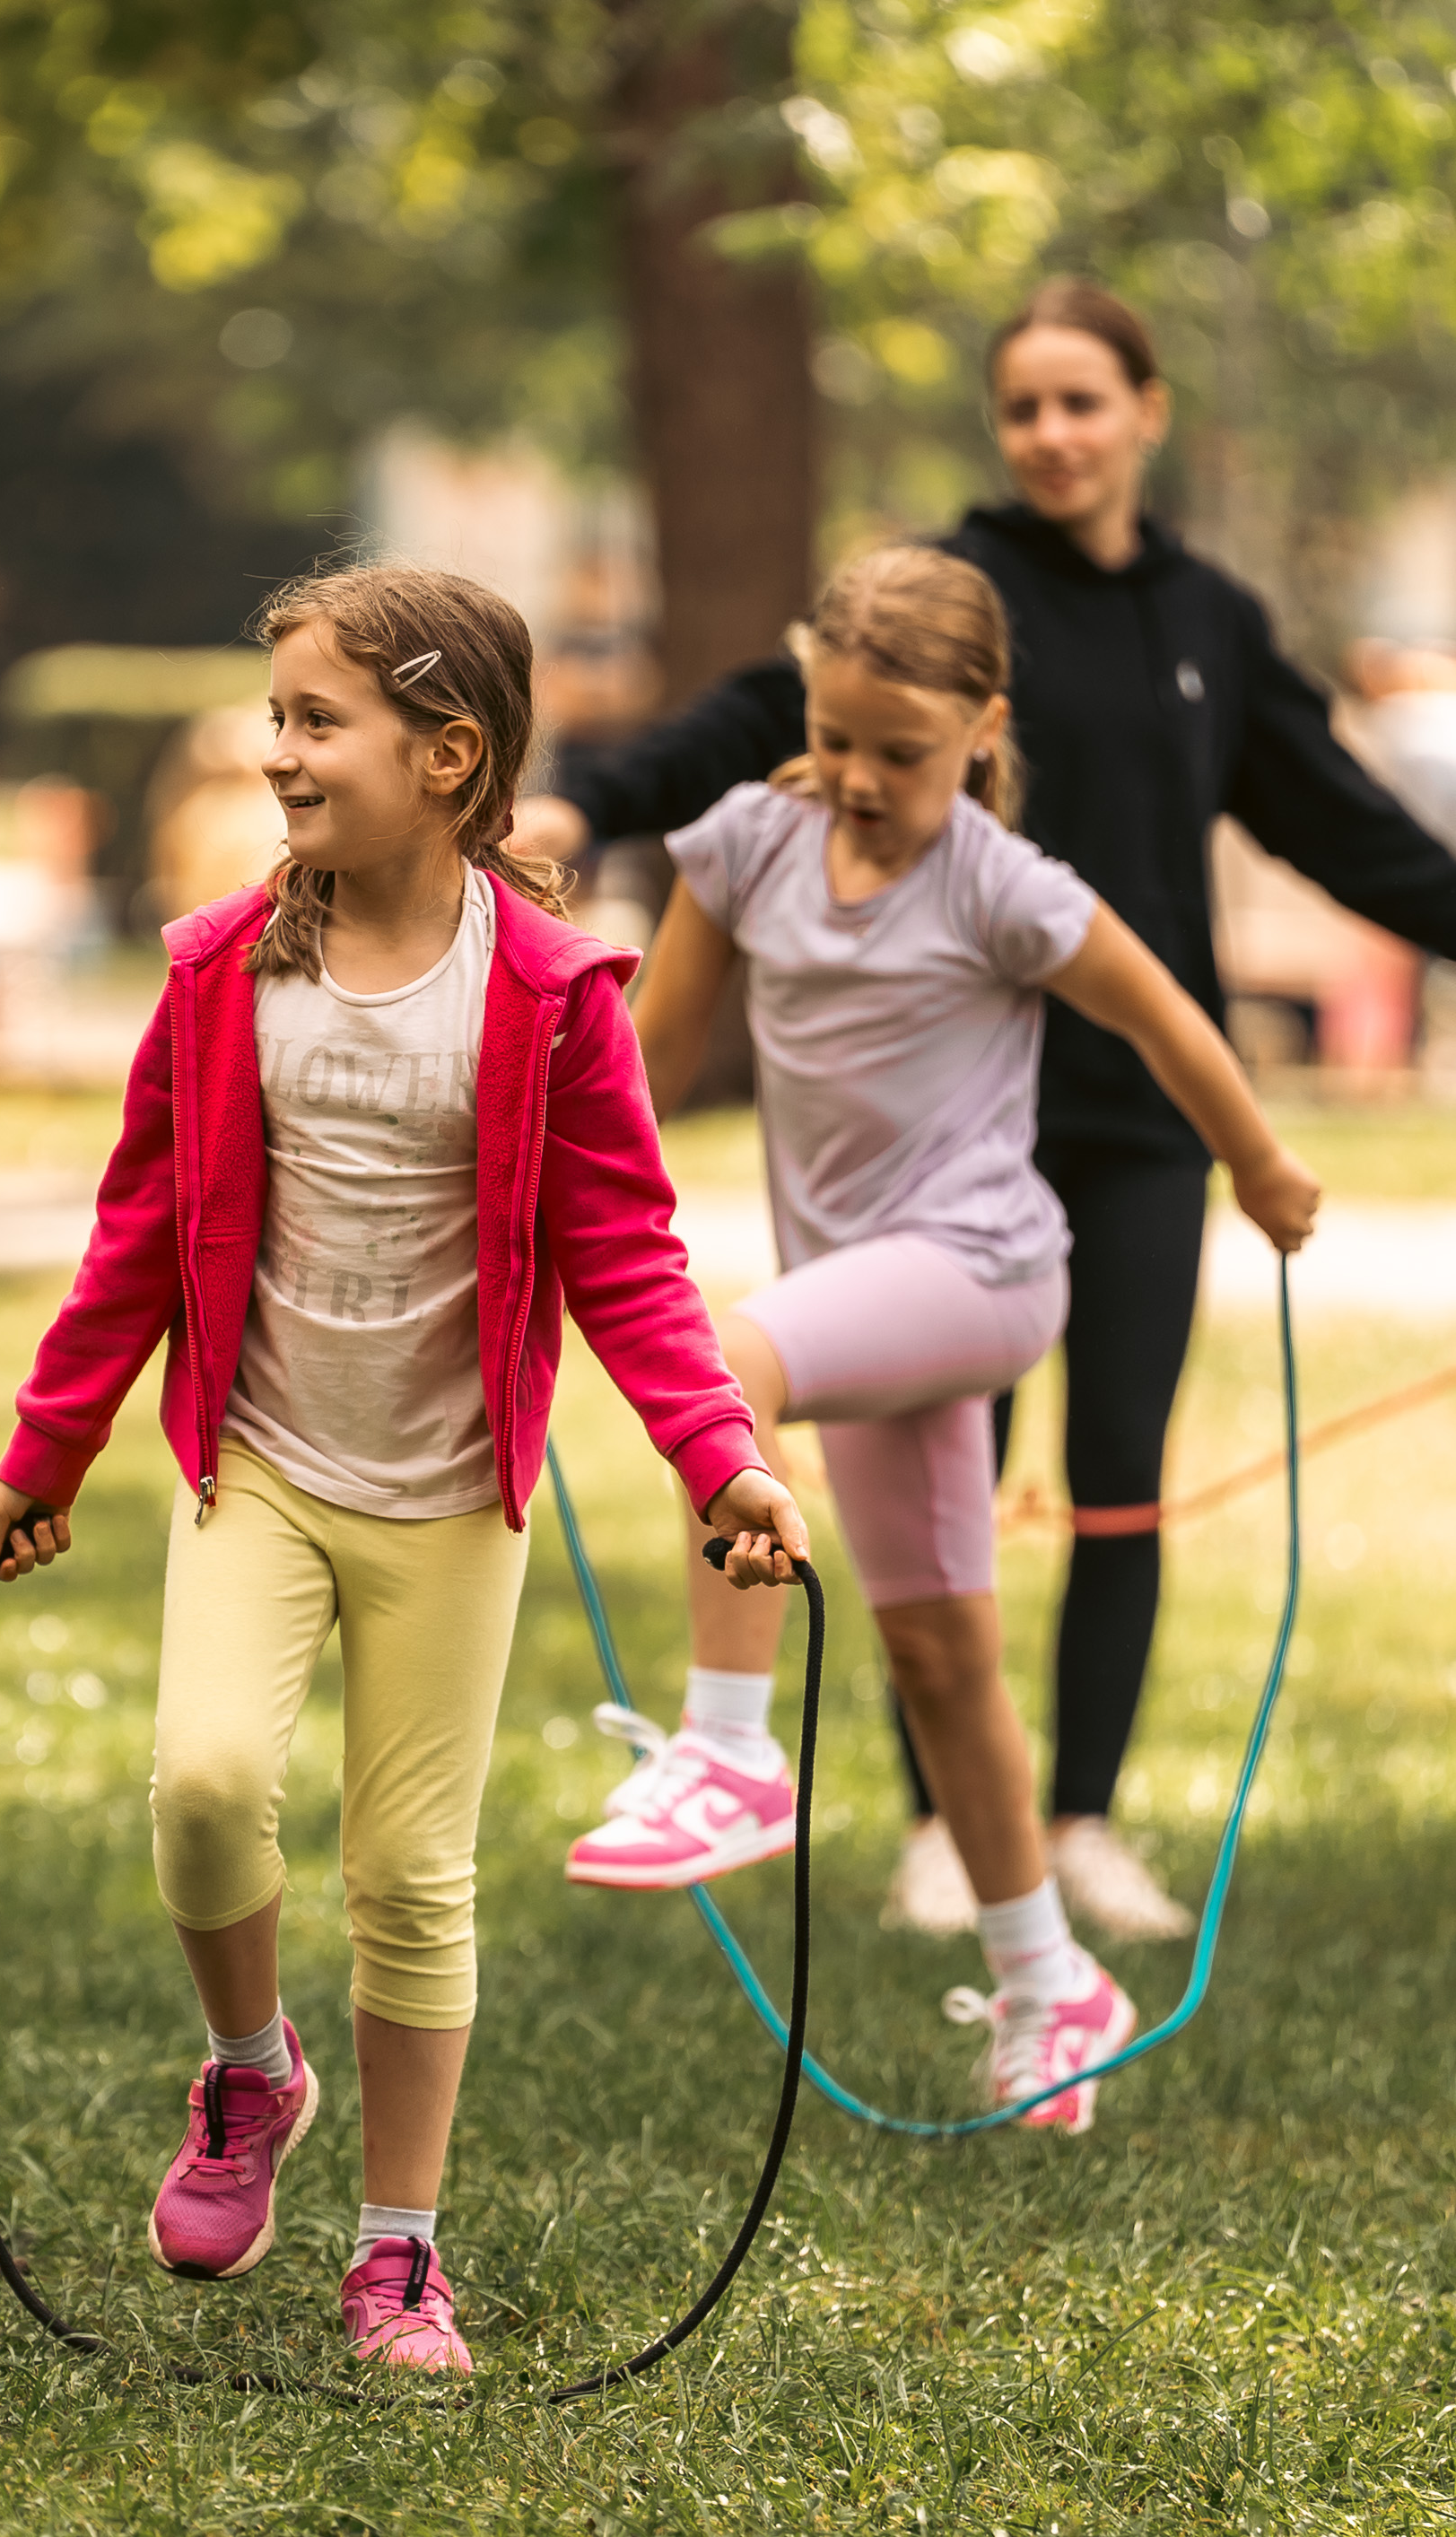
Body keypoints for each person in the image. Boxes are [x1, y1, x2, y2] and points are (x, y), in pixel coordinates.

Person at [520, 277, 1456, 1942]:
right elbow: (749, 733)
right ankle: (944, 1833)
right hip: (947, 1135)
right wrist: (584, 800)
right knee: (935, 1499)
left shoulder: (1208, 624)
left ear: (1145, 412)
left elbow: (1341, 823)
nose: (1049, 433)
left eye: (1080, 401)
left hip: (1133, 1123)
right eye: (1021, 405)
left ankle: (1076, 1819)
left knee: (1117, 1473)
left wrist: (1255, 1149)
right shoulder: (940, 602)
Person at [0, 564, 806, 2377]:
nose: (278, 752)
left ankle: (397, 2252)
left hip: (445, 1496)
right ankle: (250, 2070)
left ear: (448, 755)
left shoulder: (553, 995)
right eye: (276, 716)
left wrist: (719, 1457)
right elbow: (135, 1234)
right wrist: (52, 1448)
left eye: (317, 721)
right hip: (259, 1464)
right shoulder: (219, 973)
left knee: (413, 1876)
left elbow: (629, 1257)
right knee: (206, 1789)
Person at [562, 545, 1320, 2132]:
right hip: (863, 1303)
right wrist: (552, 1187)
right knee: (939, 1654)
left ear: (981, 729)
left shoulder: (999, 883)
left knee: (725, 1364)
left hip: (979, 1274)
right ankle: (1049, 1985)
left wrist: (1256, 1167)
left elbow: (1167, 1017)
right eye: (834, 735)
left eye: (899, 751)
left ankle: (726, 1750)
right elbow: (657, 1053)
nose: (858, 776)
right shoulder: (748, 843)